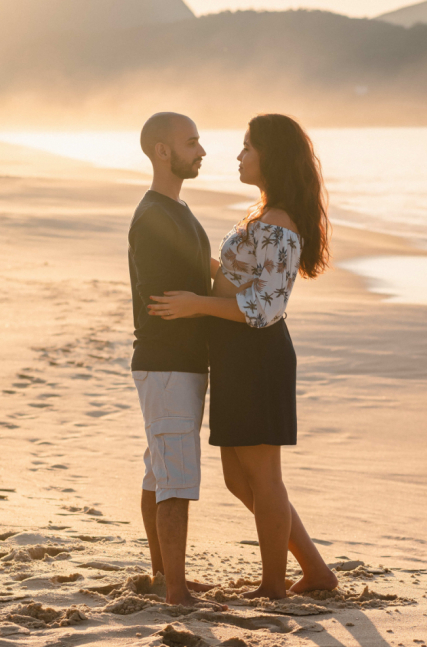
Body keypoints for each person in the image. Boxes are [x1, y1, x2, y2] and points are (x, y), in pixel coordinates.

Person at [148, 113, 338, 600]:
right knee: (239, 477)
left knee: (263, 477)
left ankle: (274, 585)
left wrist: (196, 305)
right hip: (236, 355)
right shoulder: (262, 215)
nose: (238, 155)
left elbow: (267, 307)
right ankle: (315, 571)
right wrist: (188, 261)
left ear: (270, 157)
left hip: (258, 355)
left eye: (248, 147)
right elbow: (238, 277)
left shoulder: (277, 222)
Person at [128, 111, 221, 608]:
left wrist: (236, 273)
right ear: (163, 151)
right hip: (167, 364)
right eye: (192, 142)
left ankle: (166, 575)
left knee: (161, 471)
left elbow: (195, 267)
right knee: (176, 481)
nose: (201, 150)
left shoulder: (176, 211)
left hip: (177, 362)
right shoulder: (153, 216)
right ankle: (177, 593)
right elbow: (161, 297)